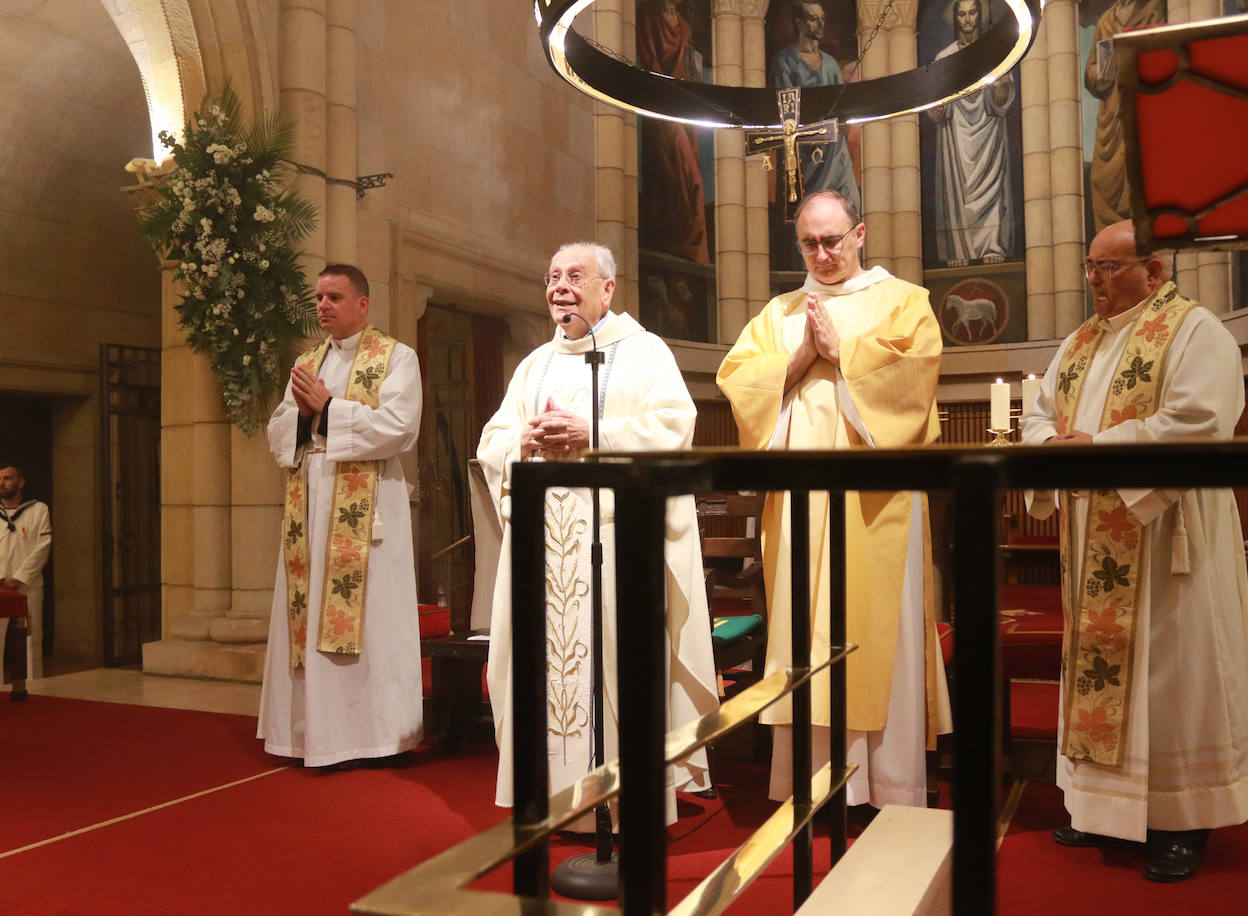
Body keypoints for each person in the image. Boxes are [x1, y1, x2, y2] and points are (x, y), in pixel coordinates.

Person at [1020, 219, 1248, 882]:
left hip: (1169, 537)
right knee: (1102, 675)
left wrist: (1096, 450)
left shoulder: (1193, 331)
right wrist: (1048, 451)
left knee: (1175, 679)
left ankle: (1182, 821)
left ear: (1153, 271)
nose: (1095, 280)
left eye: (1111, 267)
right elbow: (1040, 416)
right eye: (1091, 267)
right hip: (1095, 529)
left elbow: (1200, 421)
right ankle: (1098, 807)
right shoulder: (1078, 343)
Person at [716, 190, 950, 811]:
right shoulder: (779, 313)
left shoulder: (904, 301)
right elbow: (737, 382)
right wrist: (800, 357)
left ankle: (888, 784)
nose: (822, 254)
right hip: (799, 510)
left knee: (878, 634)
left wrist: (844, 354)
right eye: (809, 244)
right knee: (805, 633)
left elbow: (915, 377)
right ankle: (815, 786)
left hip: (879, 507)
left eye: (834, 240)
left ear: (861, 233)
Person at [476, 242, 718, 827]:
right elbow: (492, 441)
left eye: (575, 276)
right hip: (545, 547)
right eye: (552, 276)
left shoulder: (645, 353)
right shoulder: (533, 365)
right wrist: (524, 443)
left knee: (617, 670)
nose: (560, 286)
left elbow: (674, 426)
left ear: (607, 289)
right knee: (543, 670)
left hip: (616, 541)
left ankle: (623, 805)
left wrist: (594, 433)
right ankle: (555, 802)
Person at [257, 264, 424, 768]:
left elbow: (399, 428)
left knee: (373, 621)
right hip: (311, 509)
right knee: (307, 617)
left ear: (362, 304)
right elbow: (278, 430)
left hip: (367, 515)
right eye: (319, 298)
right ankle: (310, 736)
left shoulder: (396, 357)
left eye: (334, 297)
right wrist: (306, 417)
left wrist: (329, 409)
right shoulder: (307, 363)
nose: (323, 306)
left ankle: (375, 738)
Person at [926, 0, 1016, 267]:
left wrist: (1000, 85)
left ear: (980, 15)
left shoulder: (995, 52)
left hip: (988, 131)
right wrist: (939, 103)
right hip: (955, 135)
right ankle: (959, 248)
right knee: (958, 188)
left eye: (972, 13)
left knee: (992, 184)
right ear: (956, 18)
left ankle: (992, 244)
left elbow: (1003, 101)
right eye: (962, 14)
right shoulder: (945, 57)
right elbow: (935, 111)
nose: (967, 19)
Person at [768, 0, 861, 209]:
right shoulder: (784, 61)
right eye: (813, 19)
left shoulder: (830, 63)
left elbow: (841, 105)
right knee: (810, 207)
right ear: (799, 23)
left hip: (835, 150)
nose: (820, 24)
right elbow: (787, 110)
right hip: (804, 150)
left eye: (822, 19)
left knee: (850, 205)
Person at [638, 0, 711, 263]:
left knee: (692, 176)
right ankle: (680, 243)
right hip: (661, 108)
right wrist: (668, 94)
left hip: (684, 107)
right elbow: (649, 63)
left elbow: (691, 67)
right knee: (683, 176)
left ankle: (693, 247)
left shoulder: (685, 26)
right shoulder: (648, 17)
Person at [1084, 0, 1165, 233]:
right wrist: (1101, 74)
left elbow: (1165, 53)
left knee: (1140, 171)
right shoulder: (1106, 20)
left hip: (1141, 106)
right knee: (1102, 178)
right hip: (1112, 113)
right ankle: (1111, 242)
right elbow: (1092, 70)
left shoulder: (1154, 9)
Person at [0, 464, 52, 683]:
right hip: (0, 586)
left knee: (31, 639)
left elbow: (43, 546)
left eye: (8, 478)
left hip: (28, 585)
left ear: (21, 482)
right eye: (0, 478)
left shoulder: (38, 509)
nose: (2, 483)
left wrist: (20, 578)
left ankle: (35, 685)